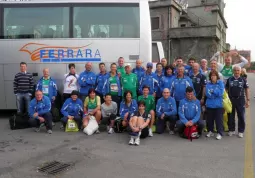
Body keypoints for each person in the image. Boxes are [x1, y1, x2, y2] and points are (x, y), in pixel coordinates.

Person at [226, 66, 250, 138]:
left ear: (240, 71)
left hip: (240, 100)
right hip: (231, 100)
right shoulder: (229, 79)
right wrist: (225, 99)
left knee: (241, 116)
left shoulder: (243, 79)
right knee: (230, 116)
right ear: (233, 71)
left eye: (238, 70)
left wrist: (247, 100)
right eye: (235, 70)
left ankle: (240, 131)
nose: (236, 72)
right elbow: (226, 89)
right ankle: (231, 129)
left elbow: (247, 89)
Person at [205, 71, 224, 140]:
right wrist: (215, 94)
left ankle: (220, 133)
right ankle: (211, 131)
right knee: (210, 120)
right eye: (211, 76)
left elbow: (221, 93)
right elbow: (207, 94)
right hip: (210, 105)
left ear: (217, 76)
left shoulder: (220, 83)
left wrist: (213, 91)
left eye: (214, 75)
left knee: (219, 120)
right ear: (210, 77)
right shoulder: (208, 84)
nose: (213, 77)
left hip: (218, 105)